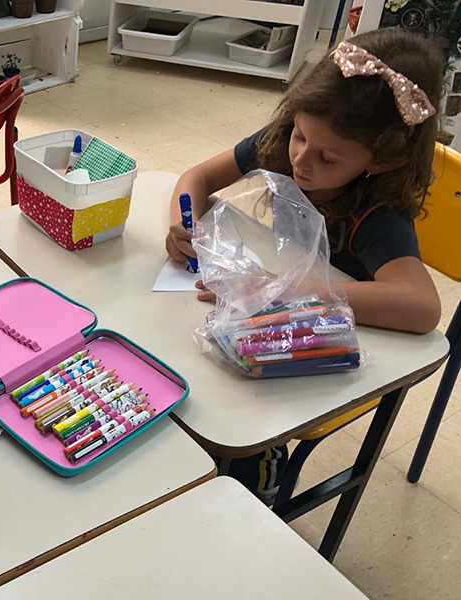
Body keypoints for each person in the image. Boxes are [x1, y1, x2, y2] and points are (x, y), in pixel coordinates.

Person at [165, 28, 445, 502]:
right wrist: (183, 224)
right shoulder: (289, 142)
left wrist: (286, 288)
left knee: (236, 411)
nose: (300, 159)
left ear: (381, 161)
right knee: (189, 367)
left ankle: (259, 470)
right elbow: (199, 176)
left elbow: (421, 307)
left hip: (320, 349)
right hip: (261, 317)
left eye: (327, 158)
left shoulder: (379, 216)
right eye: (298, 134)